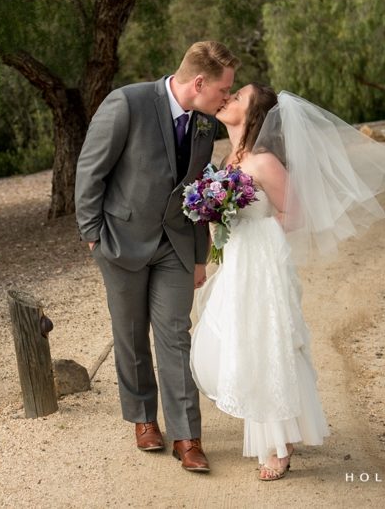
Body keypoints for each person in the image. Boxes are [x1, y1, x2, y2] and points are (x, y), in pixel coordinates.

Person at [189, 84, 385, 480]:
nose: (228, 98)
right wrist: (219, 217)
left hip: (261, 262)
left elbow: (295, 215)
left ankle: (278, 443)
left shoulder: (264, 162)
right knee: (229, 340)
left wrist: (252, 233)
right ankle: (281, 424)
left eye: (239, 97)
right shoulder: (229, 158)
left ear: (254, 115)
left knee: (267, 341)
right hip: (235, 261)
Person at [75, 40, 239, 472]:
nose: (226, 98)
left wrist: (201, 255)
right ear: (199, 82)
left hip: (176, 246)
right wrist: (94, 236)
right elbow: (91, 171)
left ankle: (188, 436)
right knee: (130, 334)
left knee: (175, 335)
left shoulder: (205, 123)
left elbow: (201, 189)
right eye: (223, 90)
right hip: (120, 241)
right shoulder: (126, 103)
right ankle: (144, 418)